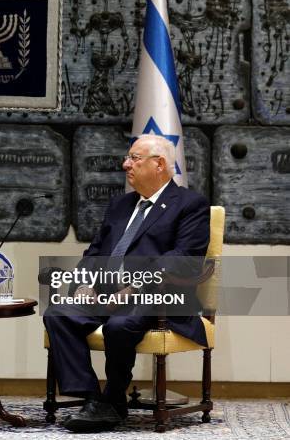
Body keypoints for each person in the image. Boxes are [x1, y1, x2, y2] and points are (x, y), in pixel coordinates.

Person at [44, 134, 210, 432]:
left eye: (134, 158)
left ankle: (114, 396)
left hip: (158, 296)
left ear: (159, 164)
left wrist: (134, 287)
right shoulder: (120, 205)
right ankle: (96, 400)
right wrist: (85, 284)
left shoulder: (189, 204)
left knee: (119, 325)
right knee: (58, 313)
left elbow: (182, 258)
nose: (126, 164)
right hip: (106, 294)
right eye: (128, 157)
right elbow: (95, 253)